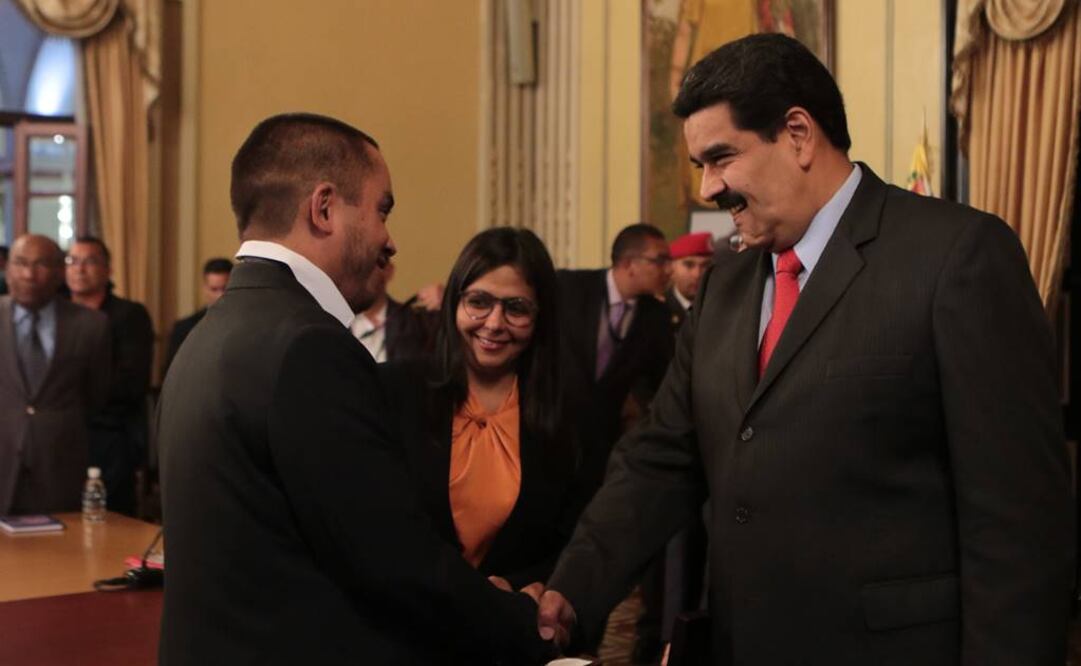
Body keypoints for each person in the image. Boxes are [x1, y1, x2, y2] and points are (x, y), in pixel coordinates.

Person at [538, 34, 1074, 665]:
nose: (707, 188)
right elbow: (659, 460)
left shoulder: (956, 257)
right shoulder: (726, 286)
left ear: (797, 134)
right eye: (699, 166)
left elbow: (1017, 527)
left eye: (720, 158)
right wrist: (569, 593)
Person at [157, 113, 554, 665]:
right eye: (381, 210)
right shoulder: (309, 347)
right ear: (324, 208)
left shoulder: (210, 332)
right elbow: (390, 558)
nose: (389, 241)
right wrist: (520, 620)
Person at [381, 227, 579, 598]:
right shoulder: (396, 389)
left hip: (509, 620)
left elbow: (573, 541)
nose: (494, 323)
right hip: (403, 616)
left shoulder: (568, 411)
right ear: (454, 303)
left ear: (540, 318)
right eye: (479, 302)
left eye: (516, 308)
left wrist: (517, 587)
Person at [557, 223, 675, 502]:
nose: (669, 269)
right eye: (660, 260)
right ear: (629, 264)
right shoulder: (568, 287)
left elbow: (663, 381)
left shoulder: (657, 316)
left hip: (603, 448)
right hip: (553, 432)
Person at [0, 235, 110, 515]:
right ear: (7, 269)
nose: (29, 274)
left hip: (60, 469)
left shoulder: (91, 325)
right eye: (20, 263)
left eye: (40, 265)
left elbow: (97, 396)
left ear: (60, 272)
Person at [66, 236, 154, 516]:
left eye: (89, 261)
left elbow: (131, 382)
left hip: (110, 432)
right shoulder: (56, 313)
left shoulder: (129, 315)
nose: (80, 269)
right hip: (61, 433)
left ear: (108, 269)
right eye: (72, 261)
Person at [350, 259, 435, 362]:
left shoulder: (416, 321)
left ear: (389, 271)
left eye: (369, 267)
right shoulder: (340, 322)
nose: (361, 276)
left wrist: (445, 300)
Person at [163, 257, 232, 374]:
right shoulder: (184, 328)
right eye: (214, 289)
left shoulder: (247, 325)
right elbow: (172, 373)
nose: (220, 295)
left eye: (224, 289)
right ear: (205, 288)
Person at [666, 231, 714, 330]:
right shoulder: (659, 309)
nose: (697, 274)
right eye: (689, 265)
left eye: (705, 265)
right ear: (671, 268)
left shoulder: (719, 307)